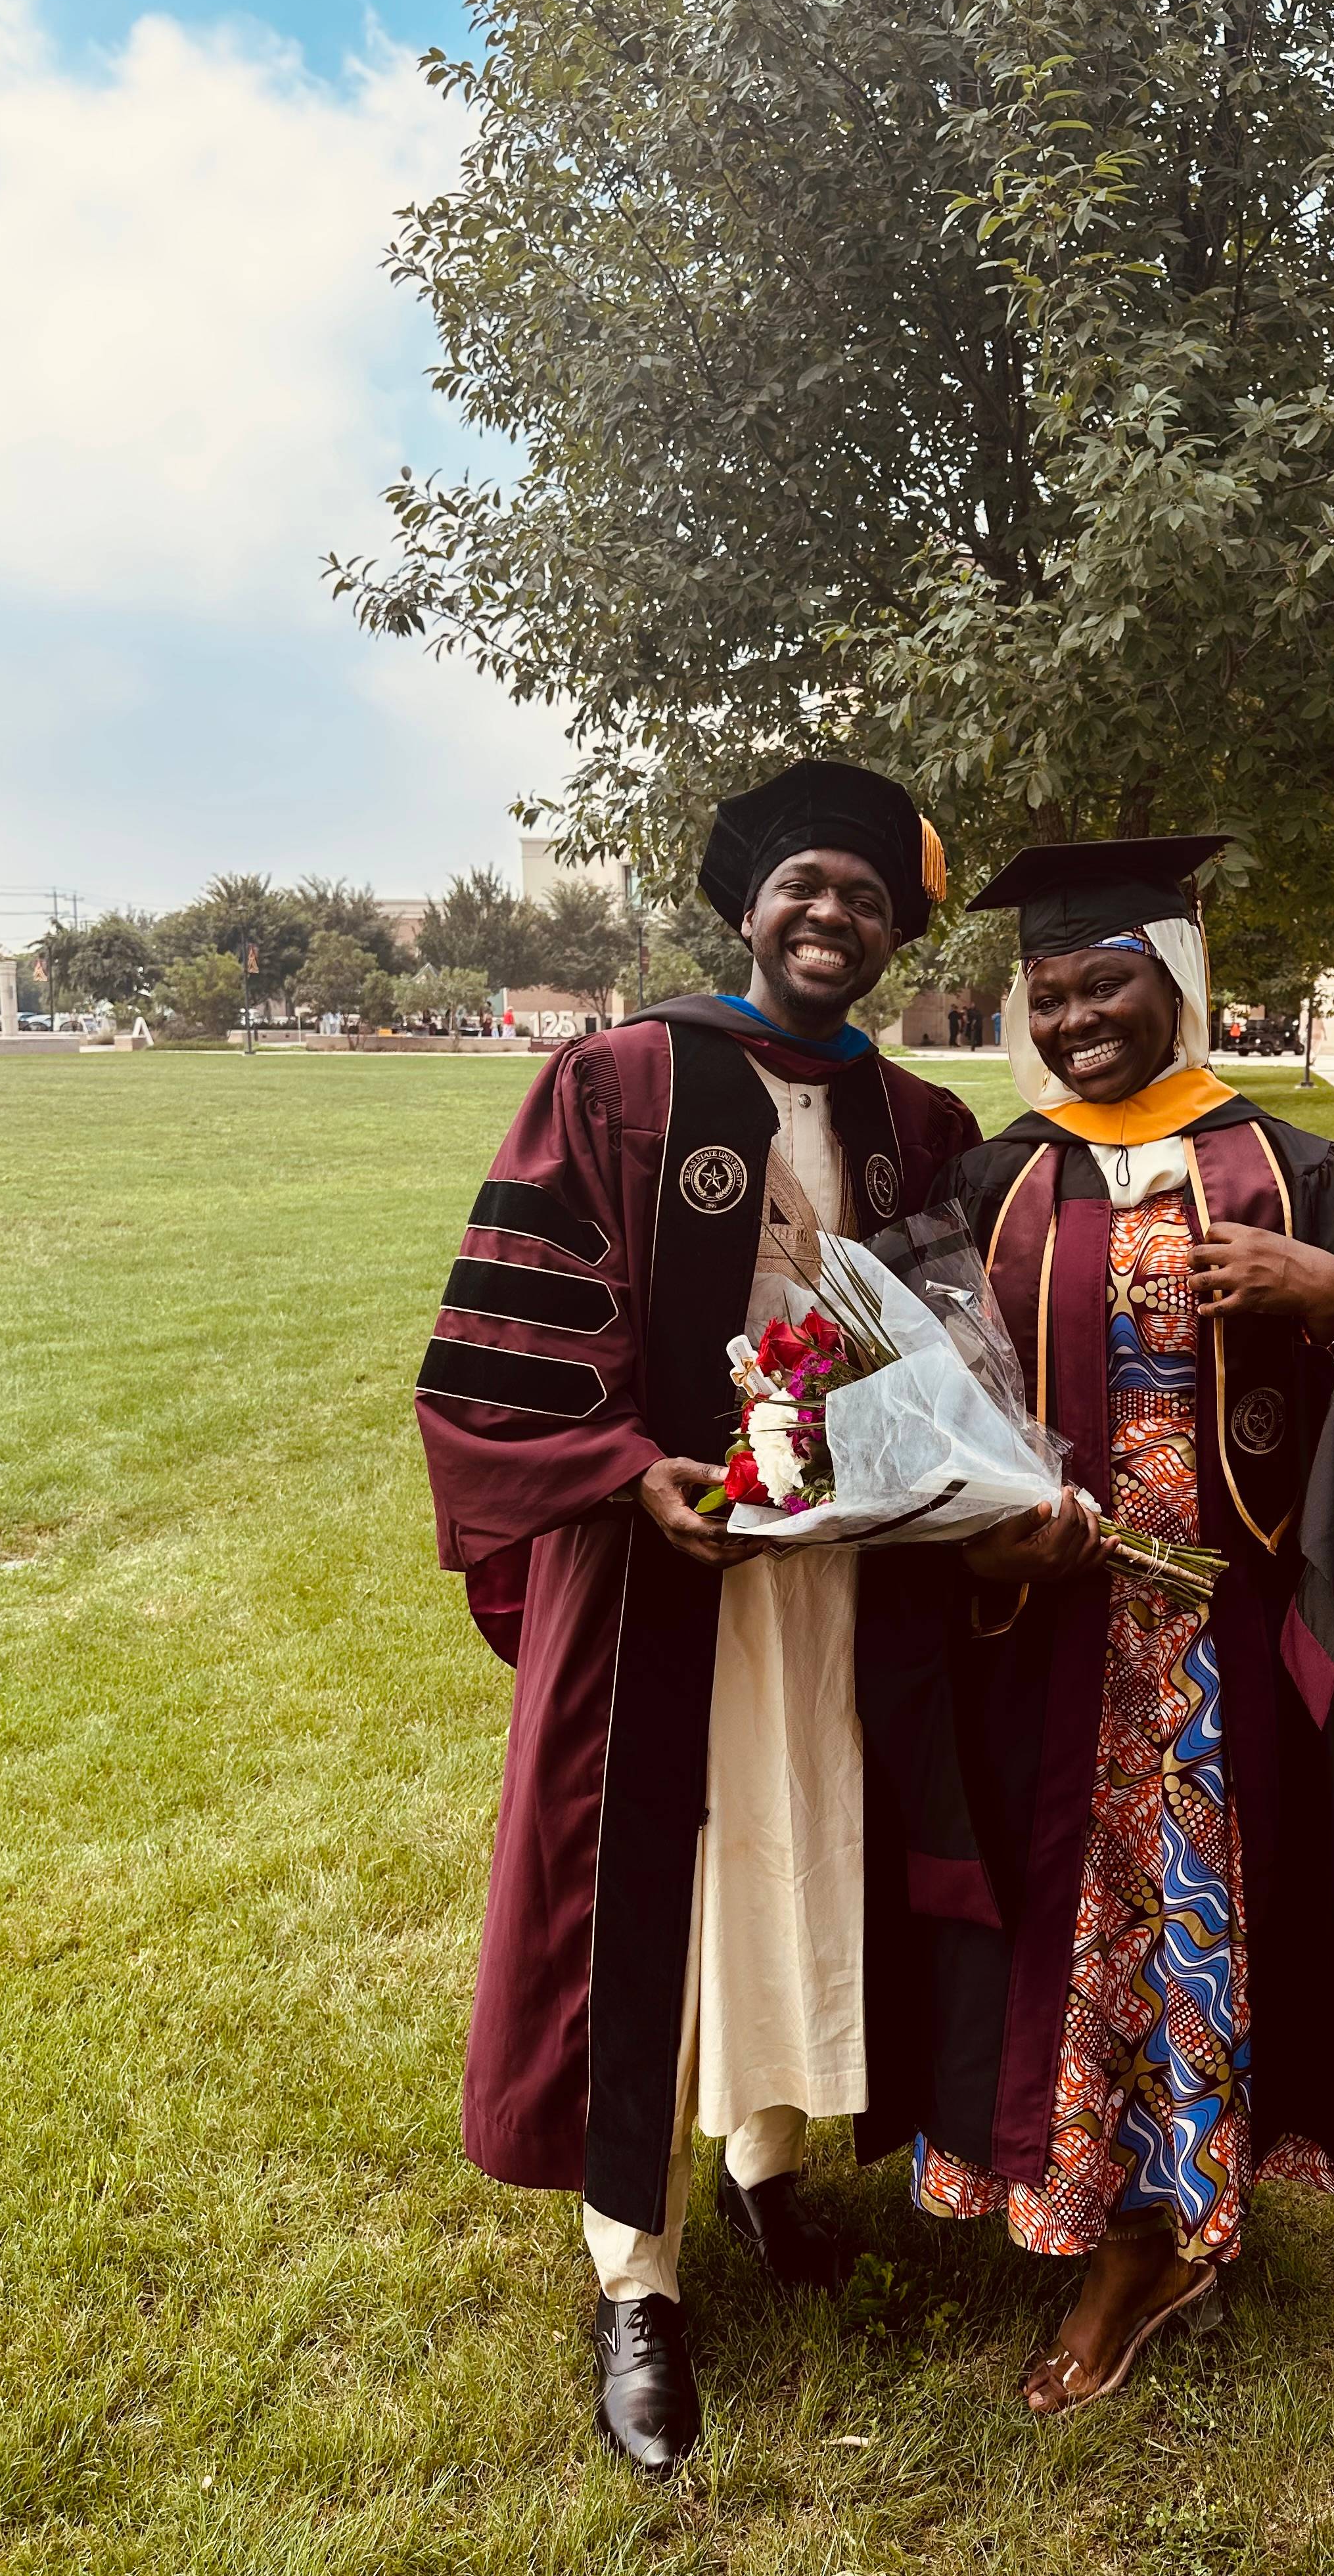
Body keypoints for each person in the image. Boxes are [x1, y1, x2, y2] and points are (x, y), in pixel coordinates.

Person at [414, 760, 978, 2475]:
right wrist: (620, 1466)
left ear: (895, 935)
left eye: (869, 899)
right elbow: (506, 1328)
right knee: (638, 1878)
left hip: (835, 1582)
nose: (833, 916)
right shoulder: (622, 1079)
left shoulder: (918, 1124)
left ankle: (767, 2168)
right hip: (659, 1567)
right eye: (807, 885)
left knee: (806, 1843)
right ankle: (632, 2270)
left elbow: (956, 1356)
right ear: (749, 906)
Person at [886, 836, 1334, 2414]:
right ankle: (1096, 2193)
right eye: (1054, 993)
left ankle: (1156, 2233)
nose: (1080, 1019)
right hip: (1045, 1630)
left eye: (1110, 985)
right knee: (1066, 1919)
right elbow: (928, 1397)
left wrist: (1327, 1293)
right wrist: (981, 1516)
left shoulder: (1293, 1173)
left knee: (1201, 1913)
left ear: (1179, 984)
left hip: (1223, 1635)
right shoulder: (997, 1178)